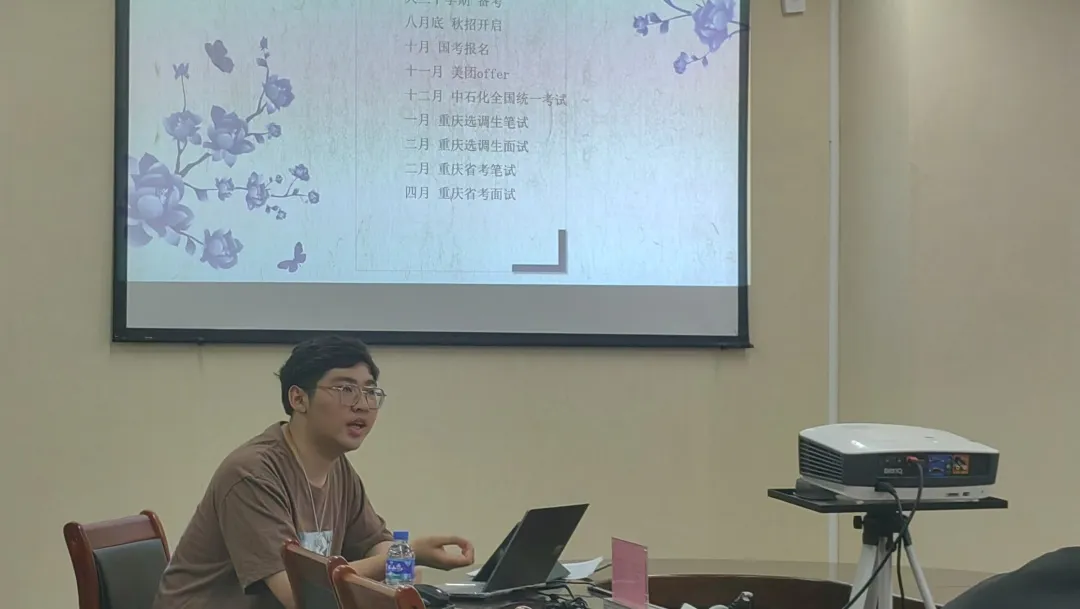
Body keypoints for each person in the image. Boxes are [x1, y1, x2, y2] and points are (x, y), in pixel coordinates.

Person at [152, 336, 475, 609]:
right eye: (345, 389)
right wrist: (403, 556)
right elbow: (298, 595)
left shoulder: (337, 468)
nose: (362, 405)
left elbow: (373, 542)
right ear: (298, 398)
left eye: (370, 392)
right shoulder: (252, 473)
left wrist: (400, 562)